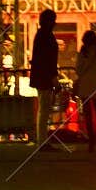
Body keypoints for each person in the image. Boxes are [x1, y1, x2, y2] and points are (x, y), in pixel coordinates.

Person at [29, 8, 60, 148]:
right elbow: (49, 60)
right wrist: (54, 79)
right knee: (44, 110)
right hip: (45, 77)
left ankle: (42, 139)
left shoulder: (41, 34)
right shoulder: (47, 36)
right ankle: (42, 140)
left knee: (43, 109)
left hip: (41, 76)